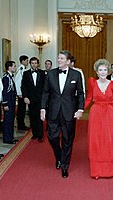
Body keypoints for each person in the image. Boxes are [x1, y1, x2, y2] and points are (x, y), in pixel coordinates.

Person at [40, 50, 84, 178]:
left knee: (67, 139)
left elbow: (80, 93)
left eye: (62, 58)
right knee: (52, 137)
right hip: (53, 111)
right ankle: (59, 155)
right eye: (58, 58)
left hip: (69, 112)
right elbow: (45, 92)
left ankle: (64, 165)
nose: (59, 60)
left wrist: (80, 109)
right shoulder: (51, 74)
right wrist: (43, 108)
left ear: (69, 61)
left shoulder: (76, 75)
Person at [85, 59, 113, 179]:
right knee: (96, 140)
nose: (103, 72)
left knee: (109, 139)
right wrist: (80, 109)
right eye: (100, 70)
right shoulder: (92, 82)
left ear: (108, 71)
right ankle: (96, 170)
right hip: (95, 113)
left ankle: (108, 169)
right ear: (97, 71)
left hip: (109, 113)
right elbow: (89, 98)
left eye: (105, 69)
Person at [22, 57, 45, 142]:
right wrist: (25, 97)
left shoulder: (42, 73)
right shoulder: (26, 73)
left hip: (40, 99)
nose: (34, 65)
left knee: (40, 117)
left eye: (35, 63)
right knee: (32, 117)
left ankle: (40, 135)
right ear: (30, 64)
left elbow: (45, 86)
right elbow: (23, 86)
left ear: (38, 64)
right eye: (32, 63)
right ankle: (34, 134)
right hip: (30, 99)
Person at [2, 60, 18, 144]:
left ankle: (10, 137)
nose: (15, 68)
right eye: (14, 66)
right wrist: (5, 103)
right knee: (8, 120)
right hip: (8, 102)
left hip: (11, 101)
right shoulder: (6, 77)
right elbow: (4, 91)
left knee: (11, 120)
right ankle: (7, 138)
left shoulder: (10, 76)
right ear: (9, 67)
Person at [14, 55, 30, 131]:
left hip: (23, 93)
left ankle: (22, 124)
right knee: (21, 111)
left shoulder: (23, 69)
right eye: (27, 61)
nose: (27, 62)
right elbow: (18, 82)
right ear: (23, 61)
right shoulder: (21, 70)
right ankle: (20, 125)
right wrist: (20, 93)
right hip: (21, 94)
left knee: (22, 110)